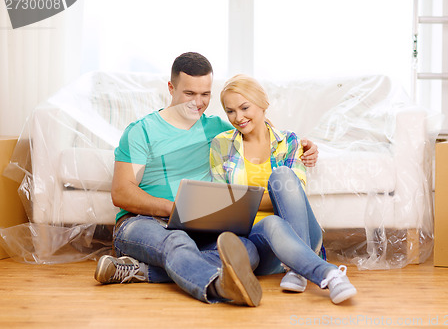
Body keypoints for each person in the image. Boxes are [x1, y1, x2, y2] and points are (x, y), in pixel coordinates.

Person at [93, 52, 319, 307]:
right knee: (176, 241)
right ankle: (217, 285)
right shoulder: (141, 131)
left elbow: (259, 128)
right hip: (143, 223)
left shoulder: (216, 128)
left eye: (205, 94)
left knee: (247, 252)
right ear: (171, 88)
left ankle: (138, 271)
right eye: (189, 94)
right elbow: (121, 192)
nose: (198, 103)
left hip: (199, 225)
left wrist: (302, 146)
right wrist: (174, 209)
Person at [209, 74, 357, 304]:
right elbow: (222, 203)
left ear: (262, 103)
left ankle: (298, 269)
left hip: (303, 234)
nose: (238, 117)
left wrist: (244, 200)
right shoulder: (221, 144)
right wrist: (263, 201)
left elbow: (292, 197)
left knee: (282, 175)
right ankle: (327, 273)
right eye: (230, 111)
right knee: (271, 222)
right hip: (260, 241)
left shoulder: (289, 142)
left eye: (244, 107)